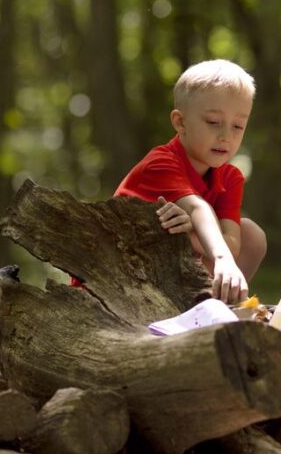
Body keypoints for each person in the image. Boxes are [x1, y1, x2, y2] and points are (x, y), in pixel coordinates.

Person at [113, 59, 266, 303]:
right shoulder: (160, 163)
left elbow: (234, 244)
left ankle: (216, 305)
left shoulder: (230, 177)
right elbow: (197, 208)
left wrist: (192, 236)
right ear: (180, 122)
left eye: (238, 126)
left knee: (252, 235)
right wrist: (222, 259)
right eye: (213, 122)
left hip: (171, 273)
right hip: (121, 274)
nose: (226, 136)